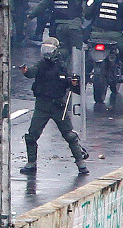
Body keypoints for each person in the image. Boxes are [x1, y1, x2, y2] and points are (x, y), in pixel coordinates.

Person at [19, 37, 89, 175]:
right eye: (45, 49)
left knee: (70, 136)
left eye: (50, 49)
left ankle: (81, 163)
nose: (47, 53)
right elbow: (32, 72)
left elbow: (71, 84)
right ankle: (31, 163)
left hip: (58, 106)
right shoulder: (41, 64)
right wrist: (26, 70)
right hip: (42, 105)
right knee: (31, 136)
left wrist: (73, 82)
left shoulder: (62, 66)